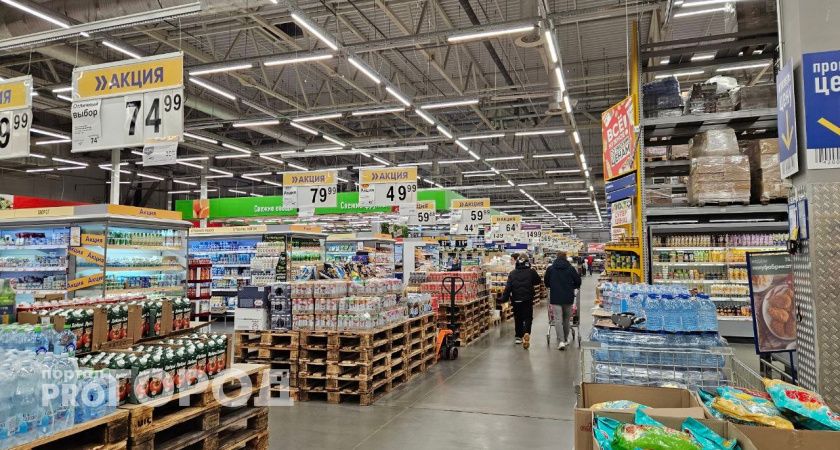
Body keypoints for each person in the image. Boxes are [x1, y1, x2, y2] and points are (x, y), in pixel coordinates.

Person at [500, 256, 541, 349]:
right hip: (527, 298)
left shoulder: (512, 273)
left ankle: (518, 336)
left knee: (518, 317)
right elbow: (537, 281)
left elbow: (508, 287)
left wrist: (503, 299)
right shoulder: (531, 271)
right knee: (528, 317)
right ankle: (526, 332)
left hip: (516, 299)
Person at [544, 251, 582, 350]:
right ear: (565, 258)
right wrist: (573, 287)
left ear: (557, 257)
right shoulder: (571, 268)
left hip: (555, 297)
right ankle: (565, 339)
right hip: (568, 297)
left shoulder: (550, 269)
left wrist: (551, 286)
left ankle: (561, 341)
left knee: (557, 319)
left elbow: (546, 281)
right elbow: (578, 281)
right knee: (566, 319)